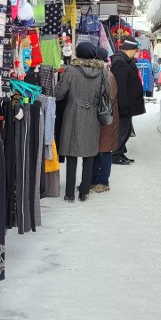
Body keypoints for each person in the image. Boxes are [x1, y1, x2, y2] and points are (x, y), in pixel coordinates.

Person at [54, 41, 110, 202]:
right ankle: (84, 191)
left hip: (73, 113)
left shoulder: (71, 70)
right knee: (89, 154)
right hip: (92, 114)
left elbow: (59, 94)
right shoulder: (102, 71)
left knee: (72, 153)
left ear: (77, 54)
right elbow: (107, 92)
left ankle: (69, 193)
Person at [110, 35, 145, 165]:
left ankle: (120, 152)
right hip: (123, 105)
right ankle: (115, 154)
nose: (136, 53)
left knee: (127, 128)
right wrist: (123, 105)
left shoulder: (126, 60)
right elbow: (120, 86)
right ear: (130, 50)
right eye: (136, 51)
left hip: (128, 104)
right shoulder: (120, 62)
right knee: (122, 129)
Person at [92, 46, 119, 193]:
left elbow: (110, 98)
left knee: (104, 151)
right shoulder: (103, 74)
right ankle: (94, 180)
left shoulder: (107, 76)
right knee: (97, 151)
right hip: (103, 118)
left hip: (107, 119)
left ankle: (103, 181)